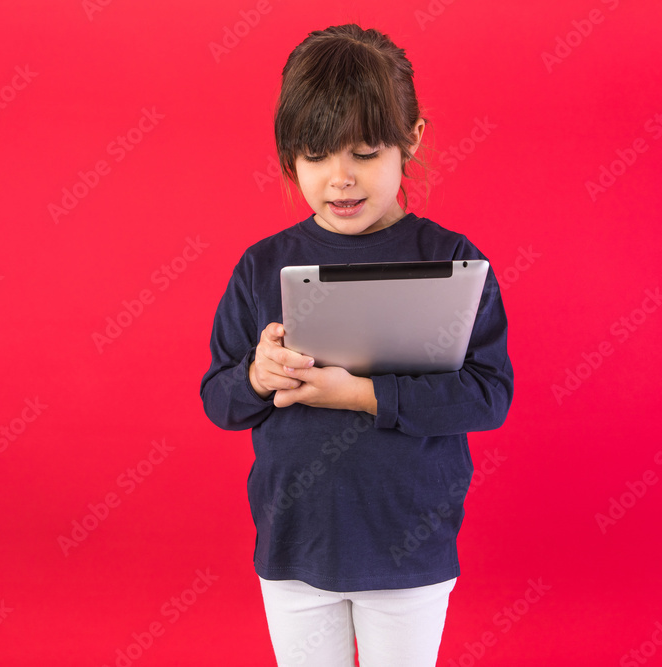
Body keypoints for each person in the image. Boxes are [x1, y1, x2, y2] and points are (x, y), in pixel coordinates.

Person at [200, 23, 513, 667]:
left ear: (412, 139)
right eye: (316, 156)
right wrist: (258, 376)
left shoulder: (451, 261)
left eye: (365, 153)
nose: (340, 179)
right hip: (294, 543)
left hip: (409, 541)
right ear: (289, 156)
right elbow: (218, 399)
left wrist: (364, 395)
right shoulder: (262, 267)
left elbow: (489, 395)